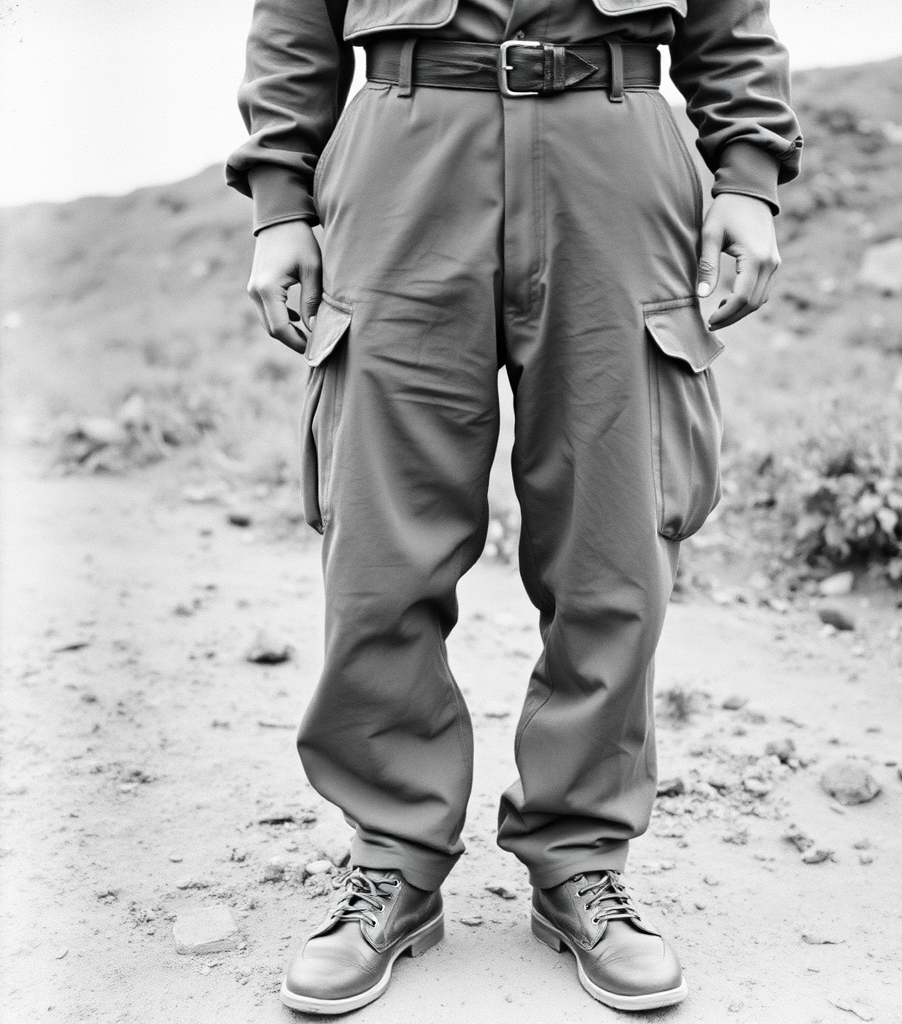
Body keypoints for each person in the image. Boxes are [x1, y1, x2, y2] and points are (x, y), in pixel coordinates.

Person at [226, 0, 801, 1013]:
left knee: (614, 536)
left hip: (612, 132)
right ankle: (393, 860)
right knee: (380, 541)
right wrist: (280, 197)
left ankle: (579, 853)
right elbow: (291, 12)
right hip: (406, 138)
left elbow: (730, 10)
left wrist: (746, 172)